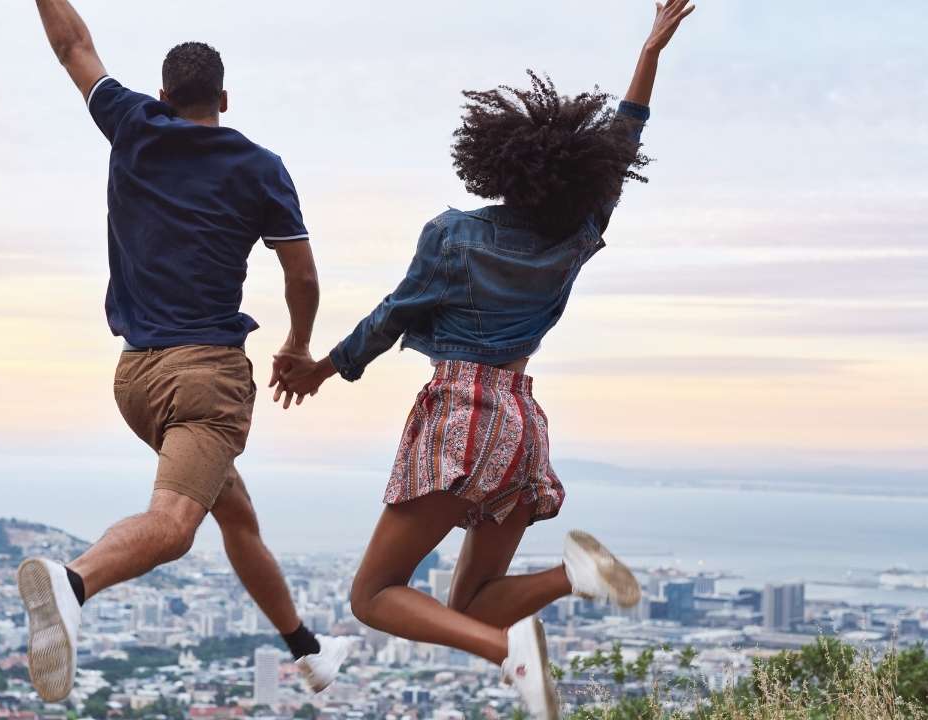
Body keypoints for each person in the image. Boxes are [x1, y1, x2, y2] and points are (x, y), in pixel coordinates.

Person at [272, 2, 696, 717]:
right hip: (522, 424)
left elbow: (393, 315)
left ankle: (512, 657)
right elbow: (622, 142)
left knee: (373, 595)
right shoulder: (580, 233)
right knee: (472, 605)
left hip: (464, 417)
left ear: (499, 163)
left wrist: (322, 369)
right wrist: (648, 56)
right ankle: (571, 573)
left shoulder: (454, 236)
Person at [18, 0, 349, 703]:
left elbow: (72, 42)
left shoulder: (133, 125)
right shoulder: (260, 167)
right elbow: (305, 276)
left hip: (136, 381)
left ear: (164, 96)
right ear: (224, 100)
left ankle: (307, 651)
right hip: (205, 379)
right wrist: (296, 343)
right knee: (175, 525)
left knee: (236, 514)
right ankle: (72, 584)